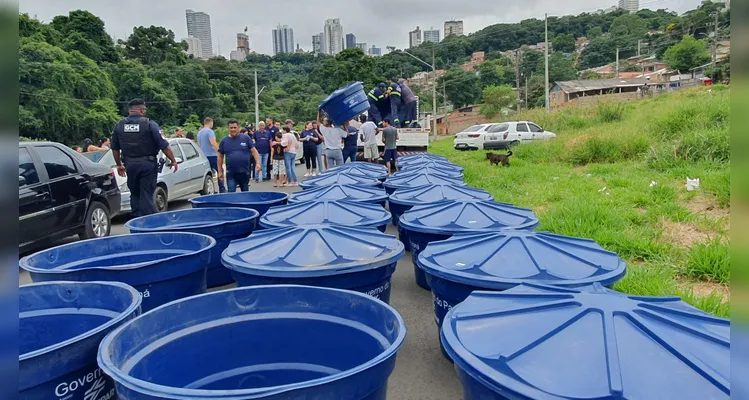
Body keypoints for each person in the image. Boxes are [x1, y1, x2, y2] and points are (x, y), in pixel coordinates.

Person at [111, 98, 178, 217]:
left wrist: (119, 165)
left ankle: (136, 221)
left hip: (130, 165)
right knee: (146, 194)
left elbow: (115, 148)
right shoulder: (149, 124)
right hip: (147, 165)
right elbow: (163, 145)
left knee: (135, 194)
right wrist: (173, 160)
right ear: (141, 110)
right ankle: (146, 224)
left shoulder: (119, 126)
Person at [217, 119, 262, 192]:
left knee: (245, 193)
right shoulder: (224, 141)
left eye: (235, 127)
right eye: (231, 128)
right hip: (231, 172)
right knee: (231, 193)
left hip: (244, 172)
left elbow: (254, 151)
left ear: (238, 128)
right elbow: (220, 157)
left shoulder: (246, 138)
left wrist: (257, 163)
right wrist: (220, 171)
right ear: (228, 128)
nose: (233, 129)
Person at [197, 117, 225, 193]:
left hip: (204, 156)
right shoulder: (210, 132)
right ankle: (222, 188)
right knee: (220, 171)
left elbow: (199, 145)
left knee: (208, 173)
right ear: (210, 122)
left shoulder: (199, 132)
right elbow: (213, 143)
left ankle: (210, 189)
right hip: (212, 155)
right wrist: (219, 151)